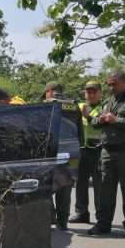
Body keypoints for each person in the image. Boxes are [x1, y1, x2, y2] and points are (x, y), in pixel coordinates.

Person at [87, 70, 125, 239]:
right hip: (107, 151)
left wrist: (117, 120)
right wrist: (98, 120)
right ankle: (103, 224)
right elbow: (93, 120)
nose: (110, 87)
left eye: (113, 84)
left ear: (123, 82)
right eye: (108, 85)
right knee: (105, 190)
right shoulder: (108, 102)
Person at [41, 82, 75, 231]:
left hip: (49, 150)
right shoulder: (73, 105)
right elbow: (79, 128)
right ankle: (63, 221)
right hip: (70, 150)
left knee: (45, 186)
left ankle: (50, 216)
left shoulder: (45, 105)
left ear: (49, 91)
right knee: (65, 186)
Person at [70, 81, 104, 224]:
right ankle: (81, 212)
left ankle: (101, 216)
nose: (90, 95)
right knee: (80, 183)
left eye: (94, 92)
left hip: (98, 151)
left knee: (99, 185)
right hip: (82, 150)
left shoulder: (105, 107)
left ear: (100, 93)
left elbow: (102, 123)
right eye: (88, 92)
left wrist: (88, 116)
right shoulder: (79, 107)